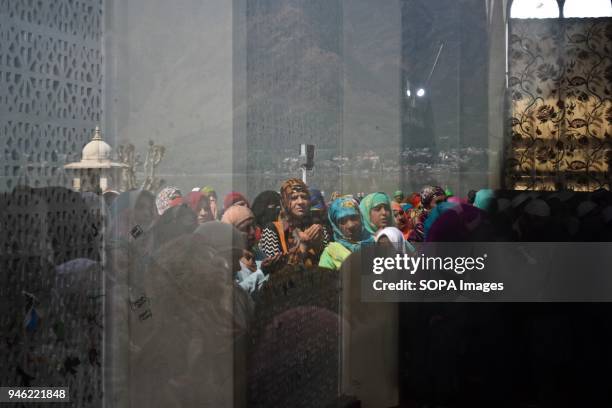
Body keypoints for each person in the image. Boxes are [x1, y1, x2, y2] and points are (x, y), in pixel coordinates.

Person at [260, 178, 329, 267]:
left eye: (304, 197)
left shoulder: (318, 228)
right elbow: (273, 271)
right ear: (284, 202)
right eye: (294, 198)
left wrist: (318, 245)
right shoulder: (272, 230)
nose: (300, 202)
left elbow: (328, 263)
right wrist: (303, 247)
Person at [319, 197, 373, 270]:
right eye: (342, 221)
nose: (350, 225)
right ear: (335, 225)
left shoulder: (377, 242)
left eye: (354, 218)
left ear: (361, 217)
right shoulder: (330, 253)